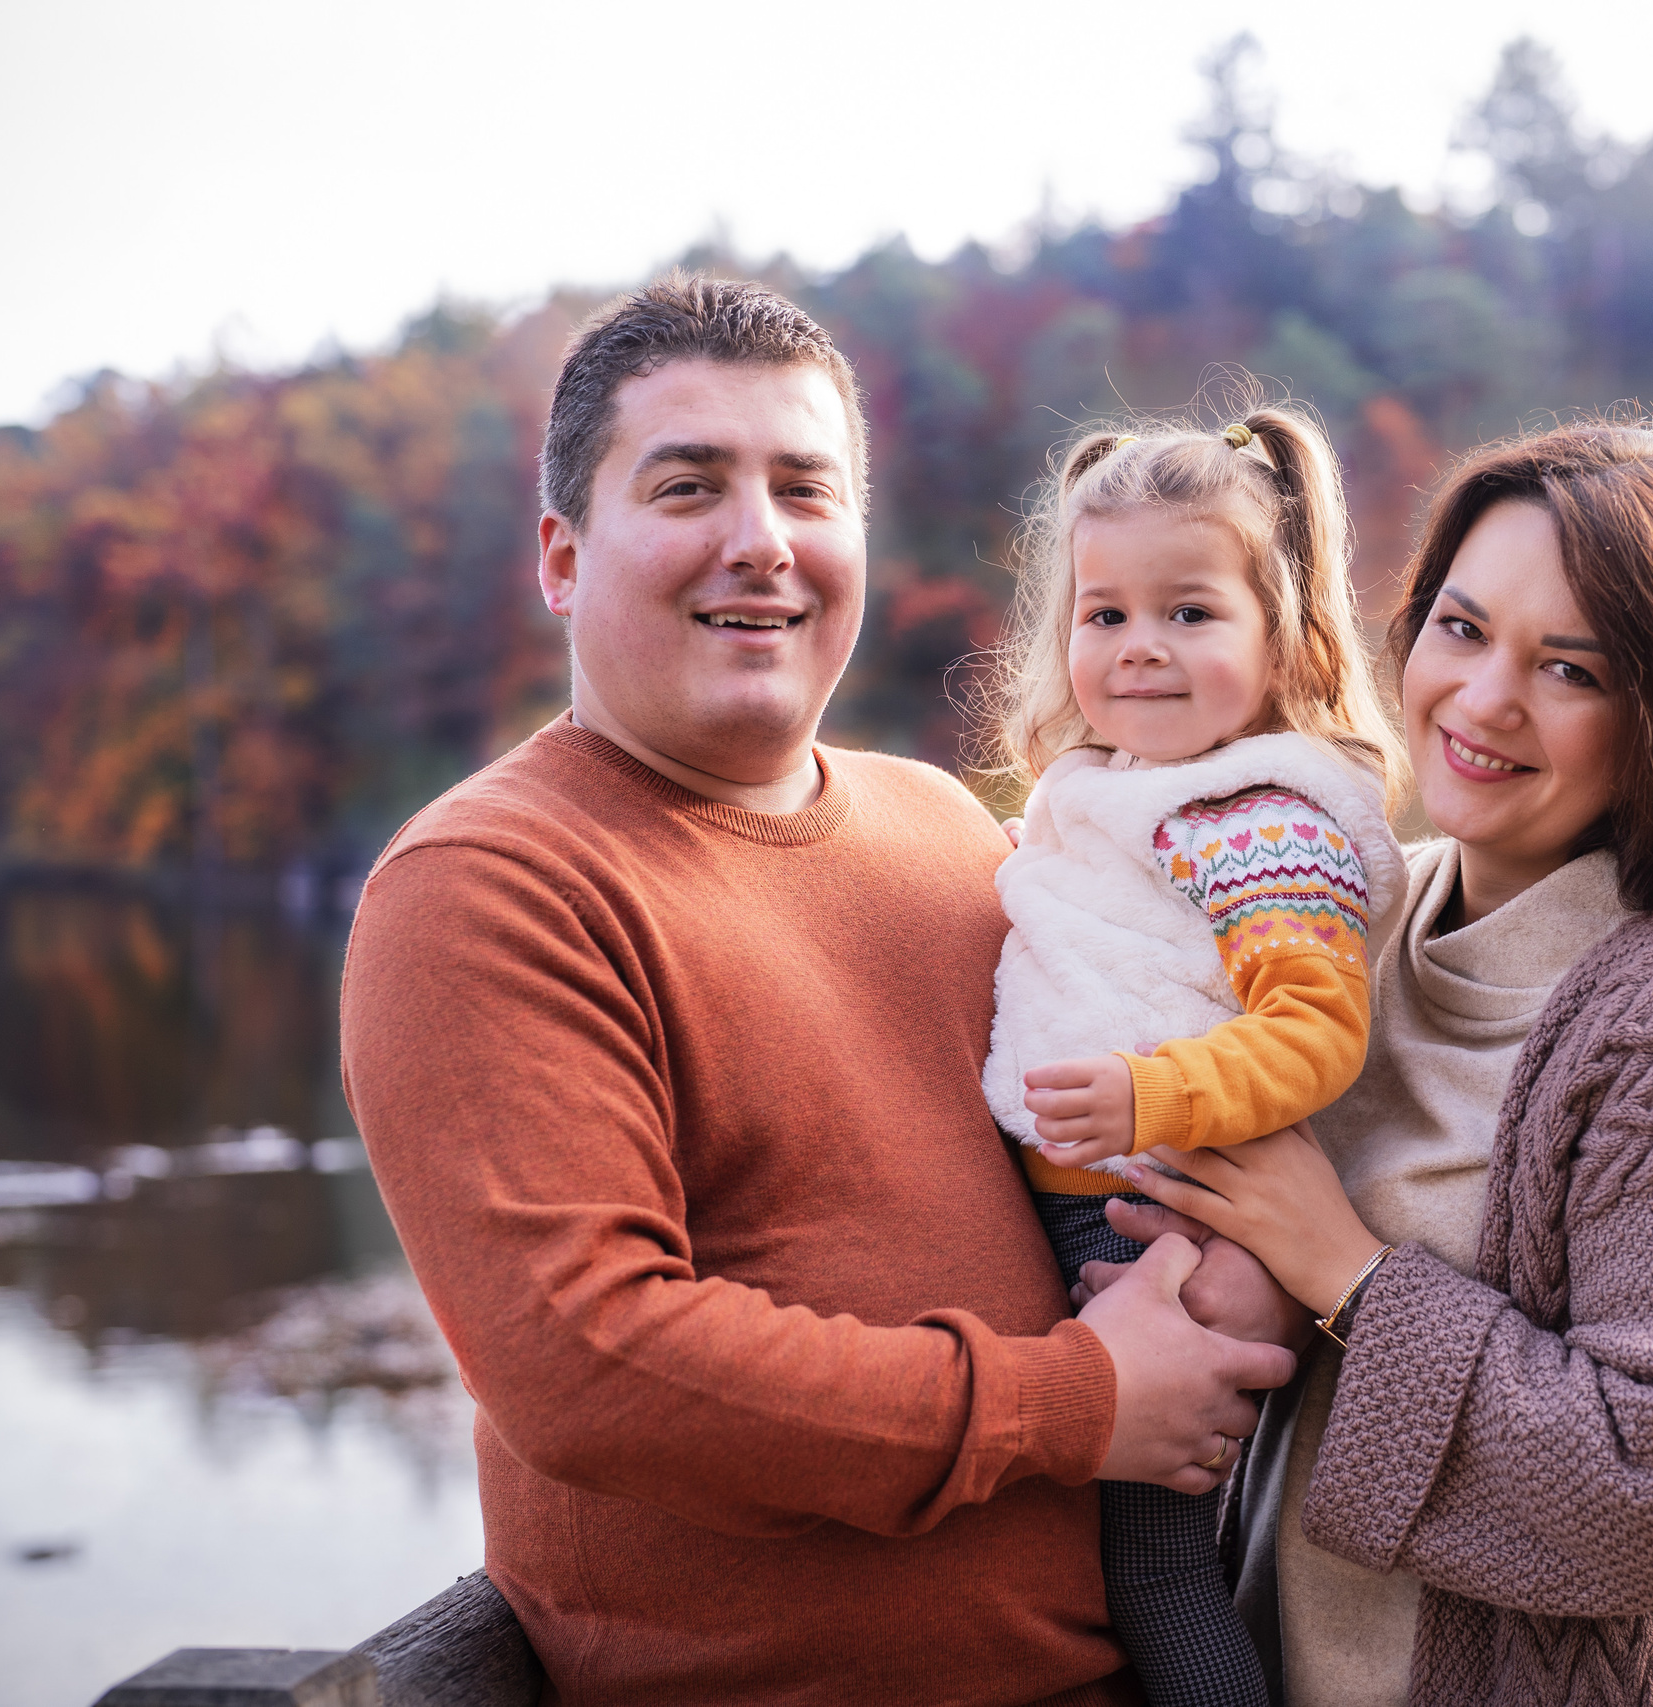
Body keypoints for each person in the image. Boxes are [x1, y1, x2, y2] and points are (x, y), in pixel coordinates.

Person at [338, 274, 1294, 1707]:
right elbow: (599, 1364)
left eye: (805, 486)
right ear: (560, 553)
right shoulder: (490, 881)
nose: (760, 541)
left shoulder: (960, 836)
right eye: (687, 485)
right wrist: (1075, 1403)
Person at [1084, 420, 1653, 1706]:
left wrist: (1346, 1274)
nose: (1484, 701)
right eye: (1463, 630)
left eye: (1571, 670)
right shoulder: (1346, 919)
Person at [978, 408, 1409, 1707]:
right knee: (1145, 1559)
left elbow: (1315, 1031)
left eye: (1191, 611)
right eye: (1104, 614)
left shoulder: (1256, 822)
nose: (1141, 647)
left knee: (1158, 1573)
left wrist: (1146, 1093)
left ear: (1278, 634)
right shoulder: (1114, 790)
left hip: (1147, 1224)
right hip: (1085, 1214)